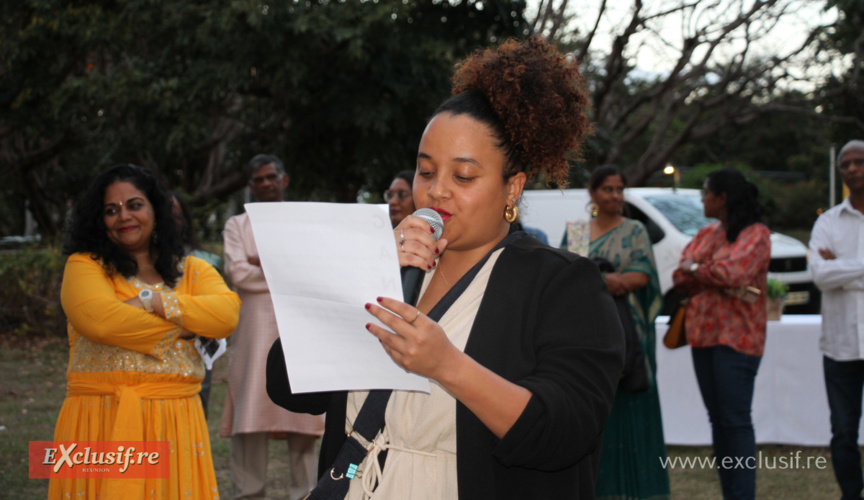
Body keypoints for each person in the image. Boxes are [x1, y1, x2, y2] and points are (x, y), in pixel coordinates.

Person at [267, 37, 625, 499]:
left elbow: (565, 433)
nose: (437, 192)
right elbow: (289, 387)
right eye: (425, 171)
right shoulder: (388, 264)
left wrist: (448, 366)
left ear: (512, 187)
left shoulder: (562, 283)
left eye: (463, 176)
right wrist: (362, 276)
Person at [50, 164, 240, 499]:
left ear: (156, 210)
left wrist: (152, 300)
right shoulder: (84, 265)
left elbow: (226, 316)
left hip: (175, 424)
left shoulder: (193, 270)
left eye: (134, 205)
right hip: (98, 421)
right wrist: (185, 330)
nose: (124, 216)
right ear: (99, 219)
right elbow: (100, 321)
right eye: (111, 210)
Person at [220, 154, 325, 500]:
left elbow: (316, 272)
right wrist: (288, 269)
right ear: (250, 185)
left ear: (284, 179)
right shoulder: (238, 225)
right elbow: (239, 275)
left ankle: (308, 494)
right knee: (249, 420)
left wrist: (262, 262)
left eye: (270, 177)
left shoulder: (303, 222)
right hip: (253, 336)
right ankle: (248, 494)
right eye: (257, 179)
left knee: (304, 421)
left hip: (300, 332)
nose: (264, 184)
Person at [563, 165, 669, 500]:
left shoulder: (636, 230)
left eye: (620, 189)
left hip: (630, 337)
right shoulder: (578, 232)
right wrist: (610, 280)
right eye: (608, 189)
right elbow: (566, 281)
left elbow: (642, 277)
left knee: (634, 405)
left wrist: (604, 279)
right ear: (592, 193)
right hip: (589, 340)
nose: (615, 196)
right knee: (596, 411)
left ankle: (643, 491)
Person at [672, 168, 770, 500]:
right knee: (718, 420)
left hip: (739, 339)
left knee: (735, 420)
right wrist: (705, 273)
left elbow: (738, 271)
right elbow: (679, 274)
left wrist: (699, 270)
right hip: (702, 336)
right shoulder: (707, 234)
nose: (702, 198)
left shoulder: (756, 234)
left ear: (722, 198)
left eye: (705, 192)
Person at [809, 140, 864, 500]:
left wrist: (840, 267)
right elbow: (819, 275)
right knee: (843, 430)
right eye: (846, 163)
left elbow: (832, 272)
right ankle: (851, 494)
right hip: (840, 345)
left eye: (860, 162)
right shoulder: (827, 221)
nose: (852, 168)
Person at [170, 191, 224, 418]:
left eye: (174, 215)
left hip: (197, 350)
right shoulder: (135, 264)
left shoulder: (207, 261)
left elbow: (219, 312)